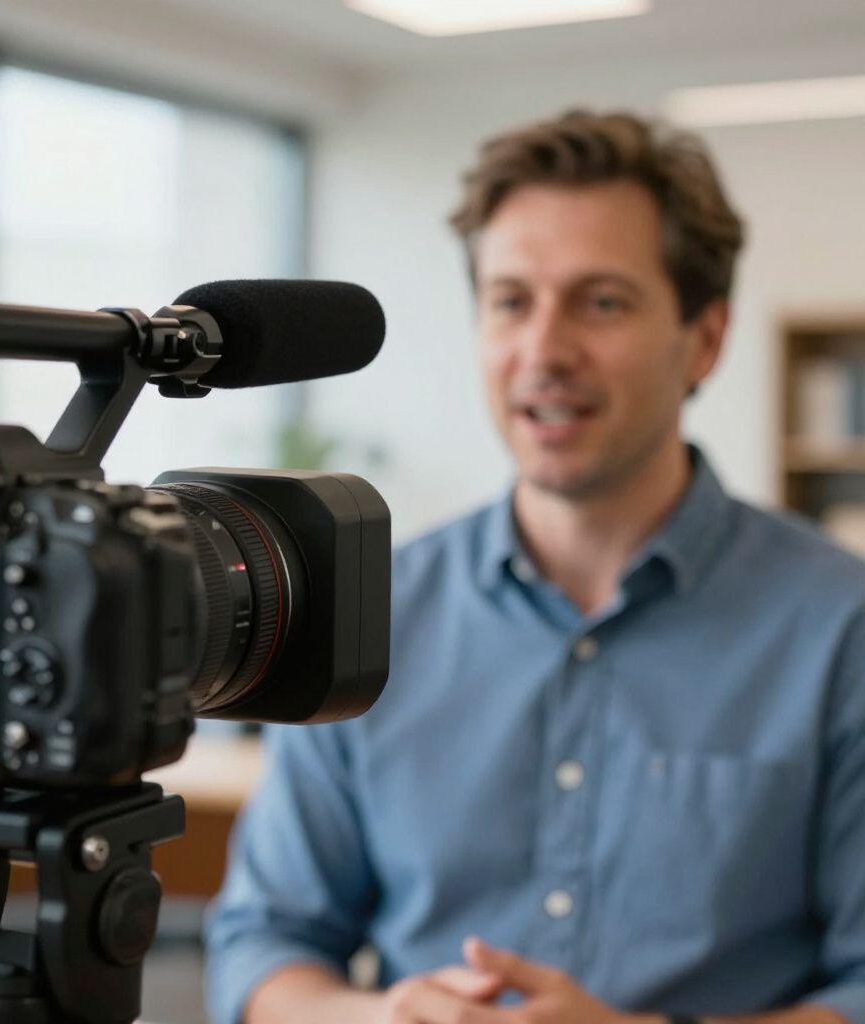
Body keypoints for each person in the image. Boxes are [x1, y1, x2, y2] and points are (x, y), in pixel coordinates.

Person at [204, 110, 865, 1024]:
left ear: (705, 338)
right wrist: (383, 1018)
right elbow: (263, 943)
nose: (544, 352)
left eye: (602, 302)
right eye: (512, 301)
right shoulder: (365, 609)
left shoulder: (842, 627)